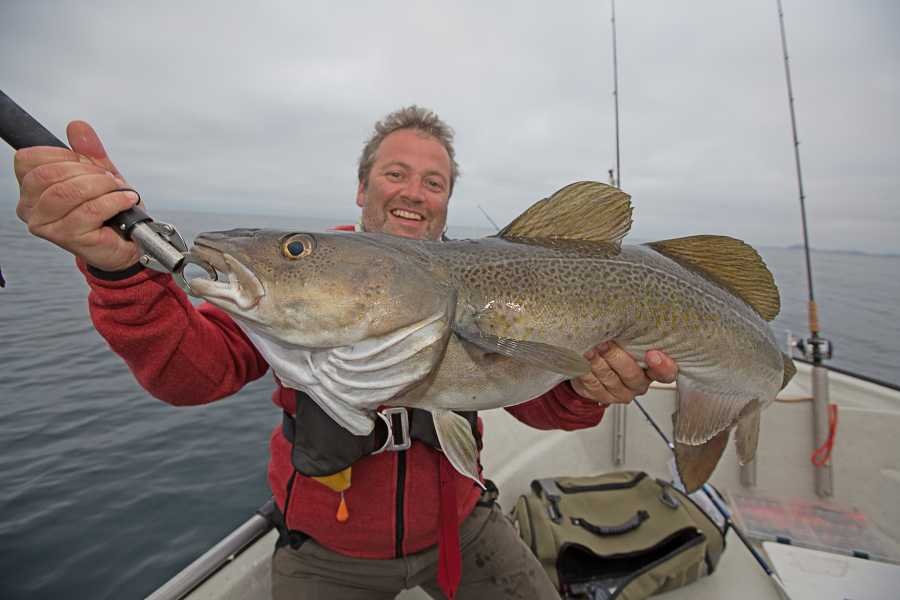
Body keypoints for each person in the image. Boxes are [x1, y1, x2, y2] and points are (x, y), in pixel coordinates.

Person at [14, 106, 677, 599]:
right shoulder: (300, 287)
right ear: (363, 188)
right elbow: (194, 374)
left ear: (447, 202)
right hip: (328, 551)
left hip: (462, 524)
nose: (414, 192)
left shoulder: (497, 281)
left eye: (435, 182)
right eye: (396, 173)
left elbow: (534, 401)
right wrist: (121, 274)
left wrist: (587, 390)